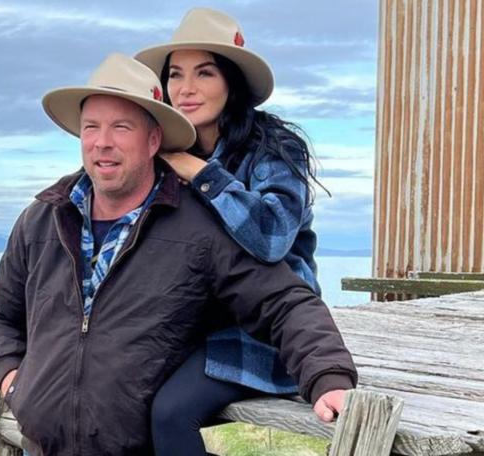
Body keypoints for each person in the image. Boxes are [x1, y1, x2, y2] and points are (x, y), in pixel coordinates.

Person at [0, 53, 357, 456]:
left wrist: (327, 375)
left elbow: (282, 299)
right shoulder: (42, 219)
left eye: (121, 127)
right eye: (91, 127)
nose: (102, 142)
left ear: (154, 141)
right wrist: (14, 382)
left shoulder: (200, 225)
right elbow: (1, 315)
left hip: (147, 430)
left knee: (173, 410)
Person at [135, 8, 332, 454]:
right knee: (119, 393)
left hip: (264, 329)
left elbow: (273, 236)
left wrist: (201, 174)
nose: (186, 89)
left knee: (170, 414)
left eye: (204, 73)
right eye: (176, 75)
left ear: (231, 81)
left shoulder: (274, 149)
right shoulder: (164, 153)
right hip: (192, 322)